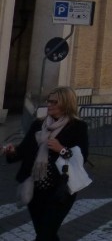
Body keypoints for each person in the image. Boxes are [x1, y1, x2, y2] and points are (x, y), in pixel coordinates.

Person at [3, 86, 89, 241]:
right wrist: (12, 152)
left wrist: (61, 149)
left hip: (60, 190)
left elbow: (82, 157)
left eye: (54, 102)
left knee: (44, 235)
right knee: (45, 234)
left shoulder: (78, 127)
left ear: (66, 104)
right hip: (35, 189)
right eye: (49, 101)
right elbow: (24, 150)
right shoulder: (38, 125)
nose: (49, 104)